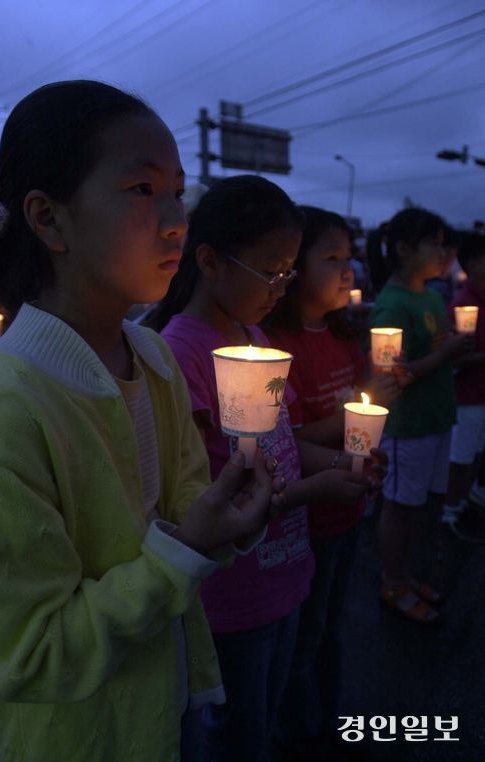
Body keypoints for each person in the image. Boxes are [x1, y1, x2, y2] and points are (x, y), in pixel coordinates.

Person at [0, 80, 286, 762]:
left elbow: (181, 508)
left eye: (178, 189)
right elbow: (33, 654)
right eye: (142, 190)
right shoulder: (6, 409)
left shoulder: (150, 354)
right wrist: (187, 549)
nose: (178, 217)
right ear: (48, 218)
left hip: (170, 696)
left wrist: (232, 511)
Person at [152, 178, 379, 762]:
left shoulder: (253, 337)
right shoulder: (182, 355)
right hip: (234, 590)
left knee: (270, 712)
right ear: (209, 261)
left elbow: (278, 441)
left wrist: (341, 463)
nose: (281, 287)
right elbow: (213, 502)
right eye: (270, 272)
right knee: (237, 733)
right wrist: (315, 490)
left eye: (287, 274)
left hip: (285, 569)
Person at [262, 206, 397, 759]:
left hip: (348, 508)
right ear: (294, 269)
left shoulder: (343, 334)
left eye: (351, 258)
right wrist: (353, 423)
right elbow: (285, 434)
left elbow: (358, 414)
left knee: (332, 629)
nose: (349, 270)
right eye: (332, 258)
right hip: (305, 517)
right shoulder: (274, 343)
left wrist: (382, 396)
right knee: (303, 636)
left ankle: (332, 721)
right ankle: (298, 735)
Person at [370, 207, 472, 625]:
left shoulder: (432, 295)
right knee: (398, 508)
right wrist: (447, 354)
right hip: (407, 427)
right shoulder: (392, 305)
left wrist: (453, 353)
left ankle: (406, 577)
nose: (446, 252)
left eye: (447, 243)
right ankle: (392, 584)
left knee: (419, 507)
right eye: (436, 243)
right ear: (404, 249)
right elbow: (394, 376)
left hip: (435, 418)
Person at [442, 233, 485, 541]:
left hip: (481, 395)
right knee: (461, 457)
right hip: (467, 398)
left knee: (474, 455)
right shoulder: (463, 305)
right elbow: (453, 360)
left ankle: (463, 502)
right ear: (472, 264)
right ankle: (449, 512)